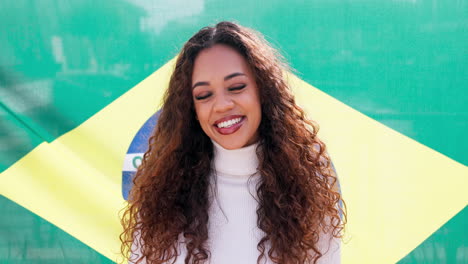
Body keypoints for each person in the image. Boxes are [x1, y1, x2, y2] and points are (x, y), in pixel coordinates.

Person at [120, 21, 346, 264]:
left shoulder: (308, 195)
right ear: (192, 109)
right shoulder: (162, 200)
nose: (222, 105)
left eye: (236, 87)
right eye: (204, 95)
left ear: (263, 90)